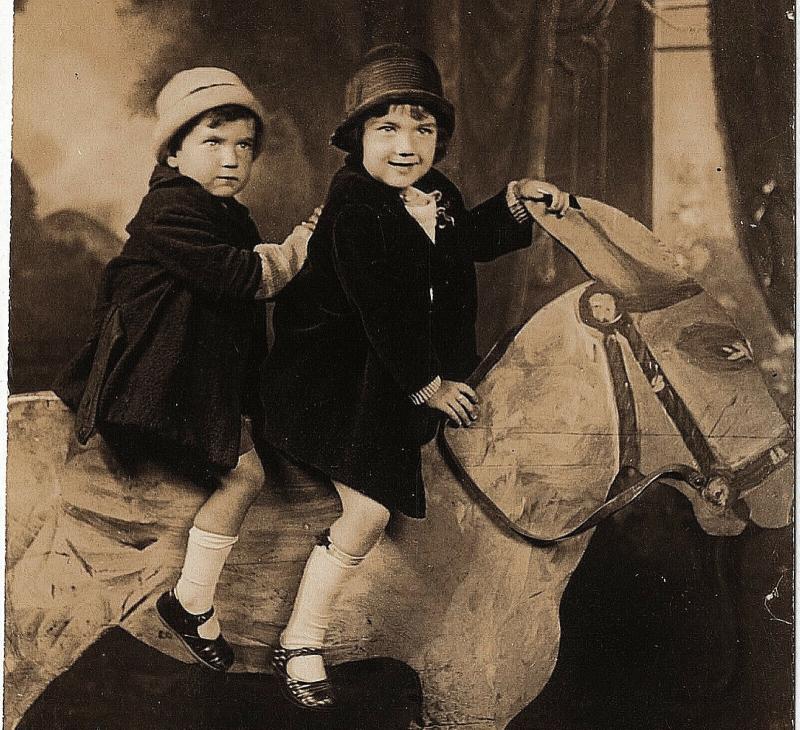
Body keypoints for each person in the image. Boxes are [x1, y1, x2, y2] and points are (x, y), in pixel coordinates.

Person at [261, 43, 571, 709]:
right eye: (388, 129)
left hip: (387, 371)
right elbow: (384, 309)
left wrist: (513, 206)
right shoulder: (355, 204)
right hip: (331, 381)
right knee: (369, 509)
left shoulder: (435, 192)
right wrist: (427, 386)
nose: (407, 147)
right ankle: (302, 639)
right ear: (357, 139)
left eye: (423, 130)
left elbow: (469, 242)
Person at [54, 67, 319, 673]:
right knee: (244, 478)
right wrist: (311, 235)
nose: (232, 159)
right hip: (152, 383)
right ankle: (190, 604)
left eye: (244, 145)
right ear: (173, 151)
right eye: (213, 141)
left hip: (197, 374)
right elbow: (249, 278)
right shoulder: (169, 209)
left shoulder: (227, 214)